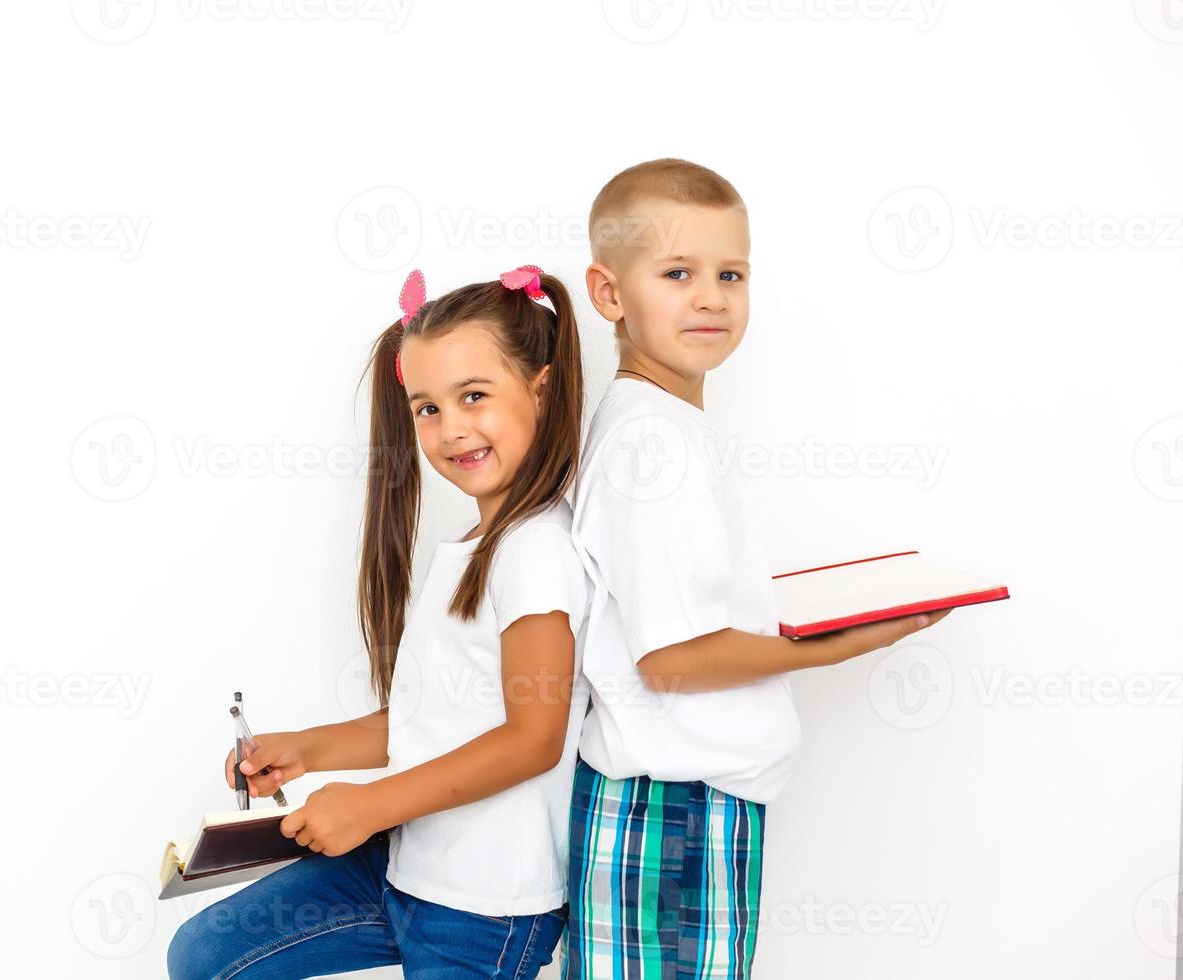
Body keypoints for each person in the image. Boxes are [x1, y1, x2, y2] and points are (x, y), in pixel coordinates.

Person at [563, 159, 950, 978]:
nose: (711, 296)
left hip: (692, 807)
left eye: (730, 274)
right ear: (608, 294)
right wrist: (845, 642)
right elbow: (671, 659)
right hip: (670, 812)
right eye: (678, 273)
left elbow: (690, 611)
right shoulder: (650, 445)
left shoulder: (667, 427)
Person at [168, 264, 591, 979]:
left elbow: (533, 739)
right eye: (427, 408)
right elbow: (436, 718)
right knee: (206, 954)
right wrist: (307, 749)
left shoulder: (538, 550)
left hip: (483, 910)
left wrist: (370, 805)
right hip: (403, 865)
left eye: (474, 396)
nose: (452, 429)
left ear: (541, 390)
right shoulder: (472, 548)